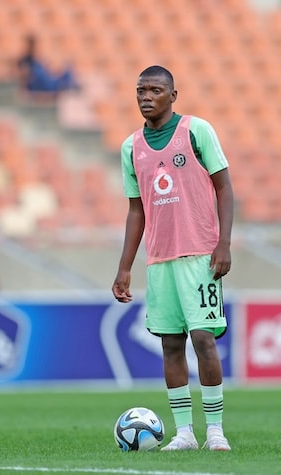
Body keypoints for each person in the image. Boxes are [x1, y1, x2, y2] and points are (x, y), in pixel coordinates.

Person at [112, 66, 234, 451]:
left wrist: (224, 243)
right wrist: (125, 266)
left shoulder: (196, 131)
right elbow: (136, 210)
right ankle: (184, 432)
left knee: (203, 339)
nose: (146, 97)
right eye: (141, 91)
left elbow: (225, 188)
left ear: (172, 95)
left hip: (200, 254)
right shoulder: (131, 147)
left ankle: (215, 430)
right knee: (170, 344)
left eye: (155, 90)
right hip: (159, 258)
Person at [17, 34, 79, 99]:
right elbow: (24, 77)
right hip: (38, 84)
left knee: (66, 71)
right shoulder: (24, 61)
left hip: (44, 81)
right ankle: (67, 86)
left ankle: (68, 85)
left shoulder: (36, 59)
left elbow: (45, 71)